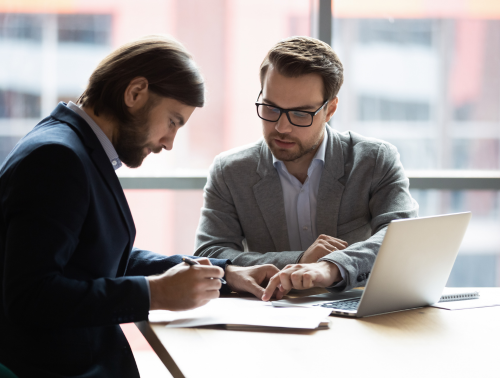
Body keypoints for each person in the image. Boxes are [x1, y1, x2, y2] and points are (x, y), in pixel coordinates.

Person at [0, 35, 278, 378]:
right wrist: (153, 294)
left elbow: (94, 258)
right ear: (135, 93)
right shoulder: (57, 158)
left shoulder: (76, 149)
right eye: (173, 121)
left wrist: (224, 274)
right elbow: (30, 296)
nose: (169, 142)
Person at [194, 36, 418, 301]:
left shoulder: (373, 160)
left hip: (356, 315)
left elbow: (402, 237)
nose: (281, 127)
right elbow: (210, 254)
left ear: (330, 109)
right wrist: (299, 260)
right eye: (271, 108)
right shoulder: (230, 171)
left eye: (300, 114)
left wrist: (329, 267)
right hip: (269, 317)